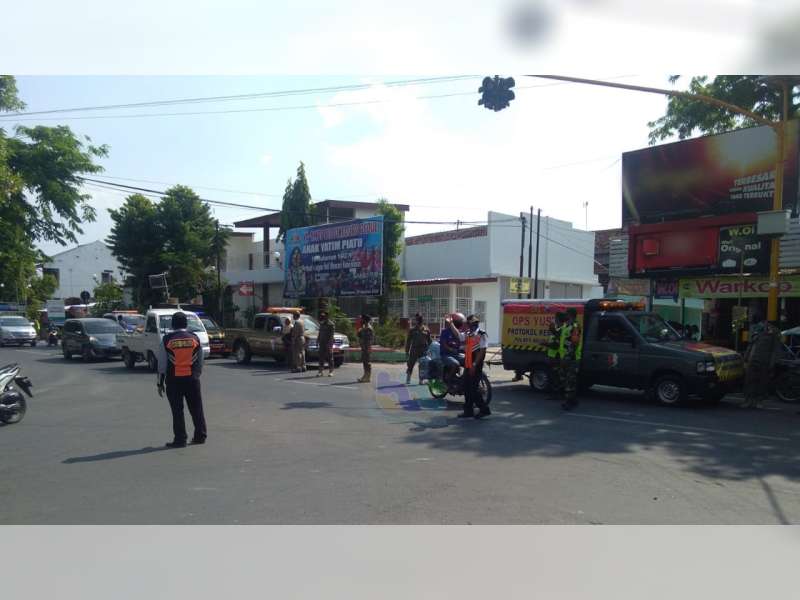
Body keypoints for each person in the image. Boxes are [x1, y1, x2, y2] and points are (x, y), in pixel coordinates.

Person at [157, 312, 207, 448]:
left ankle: (180, 439)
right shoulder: (195, 338)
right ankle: (200, 436)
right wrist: (197, 374)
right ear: (186, 324)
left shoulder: (167, 339)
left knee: (177, 411)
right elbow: (201, 359)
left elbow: (162, 364)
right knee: (197, 408)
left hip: (174, 381)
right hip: (192, 379)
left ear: (172, 324)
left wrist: (160, 383)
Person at [446, 314, 490, 419]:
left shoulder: (481, 334)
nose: (470, 325)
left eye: (472, 323)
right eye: (470, 323)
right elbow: (459, 336)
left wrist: (474, 364)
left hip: (476, 363)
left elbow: (482, 351)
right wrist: (451, 323)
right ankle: (468, 411)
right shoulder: (469, 333)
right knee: (466, 387)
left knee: (473, 389)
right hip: (468, 361)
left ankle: (484, 410)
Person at [743, 316, 782, 409]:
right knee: (749, 380)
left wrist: (772, 363)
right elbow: (750, 344)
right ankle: (748, 400)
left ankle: (758, 401)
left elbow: (775, 349)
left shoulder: (774, 331)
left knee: (762, 381)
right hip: (752, 359)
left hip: (765, 360)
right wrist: (746, 358)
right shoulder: (756, 330)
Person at [559, 307, 583, 411]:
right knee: (566, 379)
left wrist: (568, 357)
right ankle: (573, 399)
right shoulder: (566, 325)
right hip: (565, 357)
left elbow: (574, 343)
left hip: (571, 358)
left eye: (566, 314)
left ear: (571, 315)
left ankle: (569, 402)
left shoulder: (575, 326)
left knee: (570, 380)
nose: (565, 315)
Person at [405, 313, 432, 385]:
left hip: (423, 350)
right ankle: (408, 378)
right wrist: (407, 351)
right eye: (418, 320)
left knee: (422, 365)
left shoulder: (426, 329)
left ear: (422, 320)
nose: (419, 321)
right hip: (414, 349)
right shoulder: (412, 330)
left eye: (421, 320)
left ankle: (421, 379)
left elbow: (430, 341)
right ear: (416, 321)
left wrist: (430, 350)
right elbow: (408, 341)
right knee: (410, 364)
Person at [439, 312, 465, 384]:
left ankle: (464, 379)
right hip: (446, 355)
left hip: (456, 354)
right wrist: (451, 349)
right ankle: (449, 381)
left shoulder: (459, 332)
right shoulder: (445, 332)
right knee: (455, 364)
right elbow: (444, 344)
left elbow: (463, 343)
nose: (460, 324)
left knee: (468, 361)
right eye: (458, 322)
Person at [547, 312, 565, 394]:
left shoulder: (562, 330)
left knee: (556, 376)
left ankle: (557, 393)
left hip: (557, 358)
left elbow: (556, 345)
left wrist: (545, 344)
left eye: (555, 318)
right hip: (553, 357)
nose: (554, 320)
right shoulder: (559, 329)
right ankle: (555, 392)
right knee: (554, 376)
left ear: (558, 319)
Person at [317, 311, 335, 377]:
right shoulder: (322, 324)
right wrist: (318, 340)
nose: (323, 317)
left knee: (330, 357)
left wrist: (329, 343)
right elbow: (320, 333)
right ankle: (320, 371)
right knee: (321, 357)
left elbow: (331, 335)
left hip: (328, 343)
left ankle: (331, 371)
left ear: (327, 316)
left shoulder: (331, 324)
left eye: (324, 316)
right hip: (322, 342)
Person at [357, 314, 375, 383]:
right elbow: (359, 335)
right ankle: (365, 376)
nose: (361, 320)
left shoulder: (368, 328)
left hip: (367, 348)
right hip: (364, 347)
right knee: (365, 362)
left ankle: (368, 377)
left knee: (367, 362)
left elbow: (368, 340)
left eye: (362, 319)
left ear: (365, 320)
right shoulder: (364, 327)